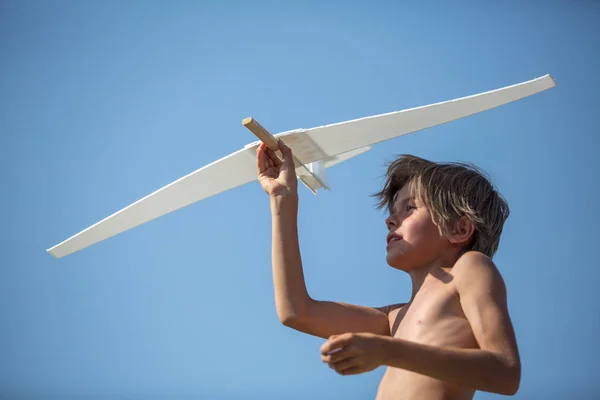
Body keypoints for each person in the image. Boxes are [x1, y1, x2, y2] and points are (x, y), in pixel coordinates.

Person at [256, 140, 521, 400]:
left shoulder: (470, 267)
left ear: (459, 229)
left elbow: (505, 372)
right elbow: (296, 311)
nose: (390, 219)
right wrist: (283, 200)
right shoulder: (394, 319)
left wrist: (387, 351)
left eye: (410, 208)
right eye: (394, 211)